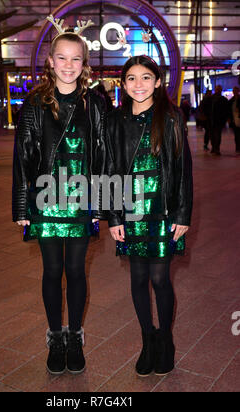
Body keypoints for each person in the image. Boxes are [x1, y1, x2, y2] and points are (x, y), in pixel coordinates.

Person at [12, 21, 106, 376]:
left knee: (76, 270)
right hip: (46, 199)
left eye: (76, 59)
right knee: (52, 270)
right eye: (62, 58)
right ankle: (55, 335)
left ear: (84, 64)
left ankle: (75, 337)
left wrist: (103, 203)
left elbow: (104, 155)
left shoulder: (95, 104)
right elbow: (23, 156)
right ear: (50, 61)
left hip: (82, 199)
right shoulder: (35, 104)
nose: (69, 65)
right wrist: (22, 206)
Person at [105, 55, 193, 377]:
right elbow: (110, 170)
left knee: (159, 278)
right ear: (123, 84)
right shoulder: (114, 121)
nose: (138, 84)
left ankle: (166, 340)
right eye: (131, 78)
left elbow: (183, 170)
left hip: (163, 211)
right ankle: (147, 339)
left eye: (145, 77)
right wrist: (113, 217)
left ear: (157, 81)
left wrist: (183, 212)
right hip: (130, 210)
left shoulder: (170, 117)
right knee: (137, 279)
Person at [209, 85, 229, 155]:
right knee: (212, 135)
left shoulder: (223, 99)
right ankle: (214, 147)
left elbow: (226, 111)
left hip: (218, 120)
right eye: (217, 89)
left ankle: (216, 148)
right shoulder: (211, 98)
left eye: (219, 89)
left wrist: (224, 119)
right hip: (211, 120)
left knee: (217, 134)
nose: (218, 91)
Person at [228, 86, 240, 153]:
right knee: (236, 134)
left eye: (236, 91)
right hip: (234, 119)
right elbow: (229, 111)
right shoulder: (231, 101)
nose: (235, 92)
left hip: (238, 117)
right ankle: (237, 147)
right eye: (234, 91)